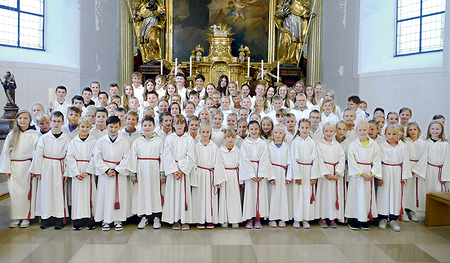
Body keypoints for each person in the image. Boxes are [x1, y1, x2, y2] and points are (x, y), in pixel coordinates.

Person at [30, 111, 71, 230]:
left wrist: (67, 171)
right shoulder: (44, 138)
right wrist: (37, 170)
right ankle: (46, 218)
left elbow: (68, 156)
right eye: (54, 121)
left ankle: (59, 218)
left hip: (59, 166)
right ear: (50, 122)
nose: (56, 124)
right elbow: (38, 154)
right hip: (46, 167)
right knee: (46, 192)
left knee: (58, 193)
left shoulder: (66, 138)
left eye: (59, 121)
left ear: (63, 123)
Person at [0, 110, 39, 228]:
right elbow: (5, 153)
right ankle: (16, 217)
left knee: (27, 193)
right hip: (15, 167)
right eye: (20, 118)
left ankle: (26, 218)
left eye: (25, 118)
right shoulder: (12, 135)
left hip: (28, 166)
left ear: (30, 120)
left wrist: (35, 169)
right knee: (15, 193)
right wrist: (6, 169)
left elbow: (37, 153)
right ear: (17, 120)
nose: (22, 120)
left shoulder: (34, 135)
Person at [94, 116, 131, 231]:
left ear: (120, 127)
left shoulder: (124, 141)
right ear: (106, 127)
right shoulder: (100, 141)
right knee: (104, 196)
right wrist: (106, 169)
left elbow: (126, 158)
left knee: (118, 195)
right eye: (111, 127)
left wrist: (117, 170)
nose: (113, 129)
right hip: (106, 173)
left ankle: (117, 219)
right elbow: (97, 157)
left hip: (118, 173)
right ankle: (106, 219)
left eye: (116, 127)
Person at [128, 116, 164, 229]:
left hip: (154, 169)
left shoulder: (159, 141)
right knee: (142, 192)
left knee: (155, 193)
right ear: (141, 126)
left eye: (150, 125)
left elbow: (163, 157)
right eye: (145, 125)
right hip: (141, 170)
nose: (147, 127)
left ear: (154, 126)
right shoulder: (137, 141)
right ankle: (144, 217)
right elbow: (132, 157)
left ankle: (156, 217)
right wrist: (133, 172)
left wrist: (162, 172)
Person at [346, 121, 382, 230]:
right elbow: (351, 161)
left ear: (368, 130)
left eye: (365, 130)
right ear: (356, 131)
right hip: (357, 175)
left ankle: (364, 219)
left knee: (366, 196)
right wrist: (361, 173)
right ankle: (353, 219)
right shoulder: (352, 145)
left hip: (369, 174)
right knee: (355, 196)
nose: (362, 132)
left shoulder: (374, 145)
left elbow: (377, 160)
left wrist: (372, 173)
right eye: (360, 130)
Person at [162, 114, 195, 230]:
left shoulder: (189, 139)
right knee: (173, 196)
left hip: (183, 173)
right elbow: (167, 155)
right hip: (173, 173)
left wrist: (182, 170)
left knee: (184, 195)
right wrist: (174, 170)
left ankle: (184, 219)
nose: (179, 125)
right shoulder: (169, 138)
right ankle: (175, 219)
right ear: (173, 125)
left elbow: (191, 156)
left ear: (185, 125)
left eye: (181, 123)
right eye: (177, 123)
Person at [191, 123, 226, 229]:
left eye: (207, 132)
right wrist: (193, 179)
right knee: (200, 197)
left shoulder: (214, 146)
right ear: (199, 132)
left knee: (210, 197)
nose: (205, 134)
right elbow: (193, 163)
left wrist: (218, 179)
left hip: (210, 174)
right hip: (200, 174)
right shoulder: (196, 146)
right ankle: (200, 219)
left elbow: (218, 163)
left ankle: (210, 219)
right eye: (203, 132)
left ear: (210, 133)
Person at [239, 120, 273, 229]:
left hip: (259, 172)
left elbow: (264, 159)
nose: (254, 131)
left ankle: (258, 218)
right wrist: (250, 174)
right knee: (250, 196)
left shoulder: (262, 143)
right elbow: (244, 159)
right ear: (248, 130)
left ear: (259, 130)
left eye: (256, 129)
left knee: (260, 195)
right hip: (250, 174)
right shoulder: (244, 143)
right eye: (251, 129)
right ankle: (249, 218)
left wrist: (261, 173)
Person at [377, 124, 411, 232]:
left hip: (397, 171)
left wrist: (404, 176)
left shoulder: (402, 146)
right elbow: (378, 162)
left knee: (396, 195)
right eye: (389, 134)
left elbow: (405, 161)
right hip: (385, 170)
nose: (391, 136)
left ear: (399, 135)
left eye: (394, 134)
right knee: (384, 194)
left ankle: (393, 219)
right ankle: (382, 218)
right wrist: (379, 176)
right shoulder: (382, 146)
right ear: (385, 134)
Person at [312, 122, 346, 228]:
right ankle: (322, 217)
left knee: (334, 196)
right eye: (326, 131)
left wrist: (338, 172)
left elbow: (342, 159)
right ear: (323, 132)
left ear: (334, 132)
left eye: (331, 131)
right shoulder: (319, 144)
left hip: (335, 174)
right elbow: (319, 159)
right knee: (324, 196)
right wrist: (325, 173)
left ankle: (332, 218)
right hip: (325, 175)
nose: (329, 133)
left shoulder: (337, 145)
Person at [66, 117, 97, 231]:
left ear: (90, 127)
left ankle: (90, 219)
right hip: (78, 171)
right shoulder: (73, 141)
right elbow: (70, 157)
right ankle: (77, 220)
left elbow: (95, 156)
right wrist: (75, 172)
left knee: (89, 195)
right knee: (77, 196)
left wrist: (88, 171)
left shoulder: (94, 141)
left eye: (87, 127)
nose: (84, 129)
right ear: (78, 127)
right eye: (82, 127)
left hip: (88, 172)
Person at [288, 118, 315, 229]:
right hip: (298, 170)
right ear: (298, 129)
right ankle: (297, 218)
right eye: (302, 127)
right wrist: (297, 175)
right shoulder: (295, 142)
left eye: (307, 128)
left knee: (307, 194)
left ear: (310, 129)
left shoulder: (312, 142)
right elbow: (293, 160)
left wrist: (313, 176)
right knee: (298, 195)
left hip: (308, 171)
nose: (304, 130)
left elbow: (315, 160)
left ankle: (305, 218)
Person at [218, 128, 242, 229]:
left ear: (235, 138)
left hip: (234, 174)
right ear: (225, 138)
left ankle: (235, 219)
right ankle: (224, 219)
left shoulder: (238, 150)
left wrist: (241, 179)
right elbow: (219, 165)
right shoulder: (220, 150)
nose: (230, 139)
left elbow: (241, 165)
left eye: (232, 137)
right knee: (224, 197)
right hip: (224, 174)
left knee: (234, 197)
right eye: (228, 137)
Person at [268, 124, 291, 228]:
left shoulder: (287, 146)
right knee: (273, 196)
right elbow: (267, 162)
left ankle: (282, 217)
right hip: (273, 172)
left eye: (280, 133)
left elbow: (290, 162)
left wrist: (289, 176)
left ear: (284, 135)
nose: (278, 134)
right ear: (273, 133)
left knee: (283, 196)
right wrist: (270, 177)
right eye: (276, 132)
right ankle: (272, 218)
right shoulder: (269, 146)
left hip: (283, 173)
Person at [404, 122, 427, 222]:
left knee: (414, 191)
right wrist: (406, 168)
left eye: (415, 129)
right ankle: (403, 211)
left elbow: (424, 158)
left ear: (418, 131)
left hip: (416, 169)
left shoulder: (422, 143)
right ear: (407, 131)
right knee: (405, 190)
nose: (412, 131)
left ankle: (412, 211)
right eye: (410, 129)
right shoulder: (405, 142)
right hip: (406, 167)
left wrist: (415, 170)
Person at [424, 120, 450, 193]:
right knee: (427, 190)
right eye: (433, 129)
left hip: (439, 171)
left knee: (438, 191)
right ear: (429, 130)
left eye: (437, 129)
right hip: (428, 171)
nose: (435, 131)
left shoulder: (445, 144)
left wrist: (445, 177)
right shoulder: (425, 143)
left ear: (441, 130)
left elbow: (447, 161)